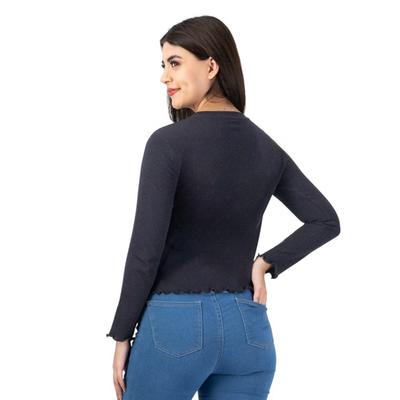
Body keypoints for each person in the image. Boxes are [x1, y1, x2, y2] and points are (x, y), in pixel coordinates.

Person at [106, 15, 341, 400]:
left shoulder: (167, 144)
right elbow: (325, 220)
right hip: (248, 332)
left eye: (175, 63)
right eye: (163, 65)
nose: (164, 77)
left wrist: (121, 335)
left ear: (211, 66)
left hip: (174, 330)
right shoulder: (267, 148)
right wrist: (264, 263)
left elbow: (145, 252)